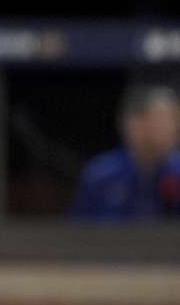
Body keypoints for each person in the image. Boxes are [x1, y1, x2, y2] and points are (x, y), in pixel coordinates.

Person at [72, 85, 180, 220]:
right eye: (164, 121)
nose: (174, 130)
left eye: (175, 122)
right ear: (136, 124)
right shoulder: (101, 174)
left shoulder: (177, 172)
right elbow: (77, 231)